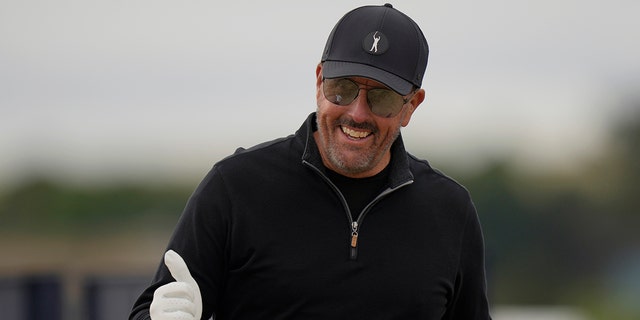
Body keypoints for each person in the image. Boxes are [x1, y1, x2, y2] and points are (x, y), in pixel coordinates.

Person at [130, 3, 491, 320]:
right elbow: (149, 310)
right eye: (343, 88)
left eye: (381, 97)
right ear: (319, 81)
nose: (357, 112)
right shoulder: (235, 188)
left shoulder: (450, 211)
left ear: (411, 105)